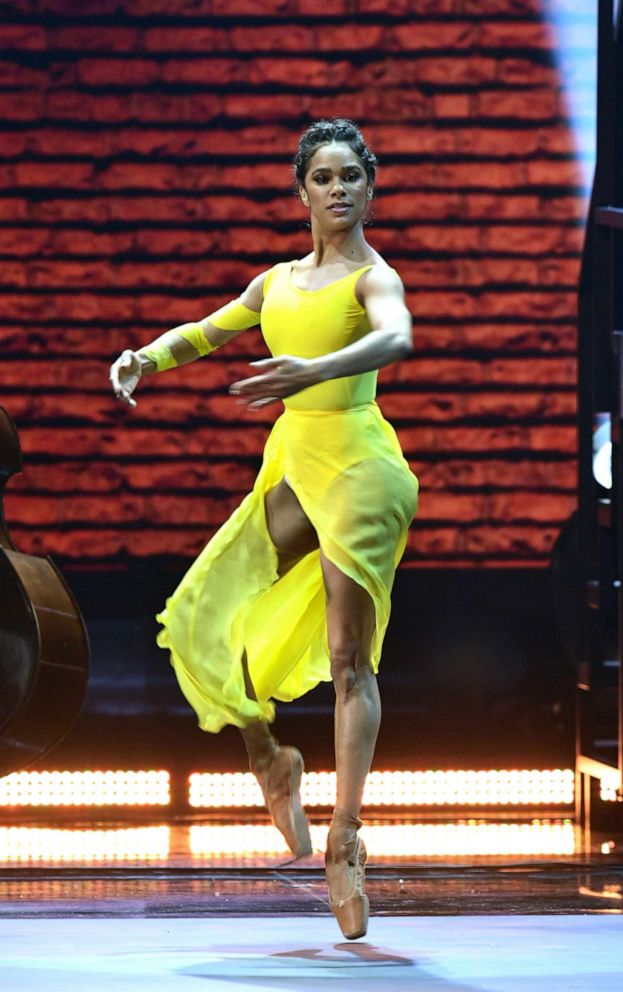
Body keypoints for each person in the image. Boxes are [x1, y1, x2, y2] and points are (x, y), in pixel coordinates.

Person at [109, 118, 419, 940]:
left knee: (351, 658)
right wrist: (146, 355)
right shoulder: (275, 281)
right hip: (294, 461)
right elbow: (210, 332)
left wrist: (313, 371)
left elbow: (399, 335)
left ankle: (346, 842)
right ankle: (270, 760)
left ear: (369, 186)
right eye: (323, 177)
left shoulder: (370, 278)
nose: (338, 189)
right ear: (303, 192)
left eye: (351, 175)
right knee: (209, 613)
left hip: (359, 467)